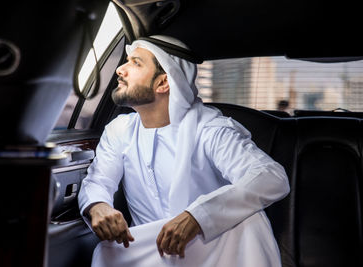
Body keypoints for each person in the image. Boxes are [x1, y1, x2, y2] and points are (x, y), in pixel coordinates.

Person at [78, 35, 290, 267]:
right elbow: (98, 181)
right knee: (106, 250)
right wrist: (98, 206)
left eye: (136, 63)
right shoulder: (120, 129)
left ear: (163, 83)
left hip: (210, 249)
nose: (120, 69)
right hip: (147, 248)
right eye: (126, 61)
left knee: (250, 218)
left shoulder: (210, 129)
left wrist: (198, 216)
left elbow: (271, 177)